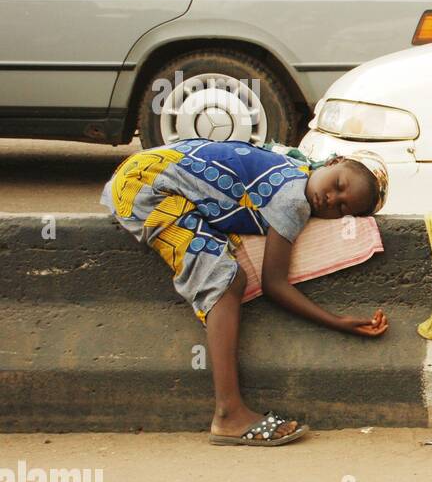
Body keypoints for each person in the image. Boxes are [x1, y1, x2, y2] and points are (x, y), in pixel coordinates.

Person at [102, 139, 391, 446]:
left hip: (142, 170)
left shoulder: (293, 164)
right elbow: (274, 285)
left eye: (343, 207)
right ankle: (229, 414)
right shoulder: (294, 201)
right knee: (225, 281)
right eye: (338, 185)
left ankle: (230, 413)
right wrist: (337, 322)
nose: (330, 199)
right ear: (333, 163)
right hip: (147, 190)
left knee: (228, 270)